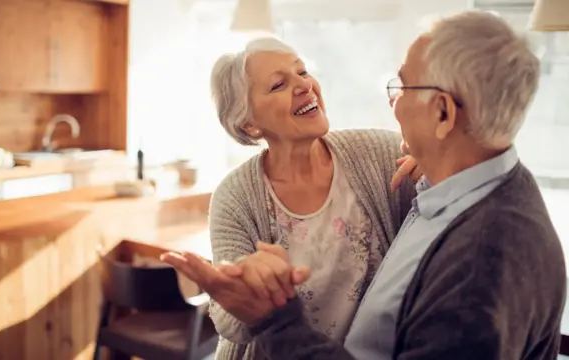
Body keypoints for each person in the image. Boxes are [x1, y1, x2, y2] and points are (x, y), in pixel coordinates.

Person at [162, 10, 567, 360]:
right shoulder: (454, 193)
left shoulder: (477, 255)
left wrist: (275, 318)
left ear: (442, 115)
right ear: (249, 123)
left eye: (402, 86)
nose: (392, 102)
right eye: (278, 84)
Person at [192, 36, 420, 360]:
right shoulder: (235, 196)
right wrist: (253, 291)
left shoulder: (380, 154)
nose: (304, 85)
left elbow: (458, 191)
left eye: (302, 72)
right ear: (250, 124)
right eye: (278, 85)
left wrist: (438, 165)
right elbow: (229, 322)